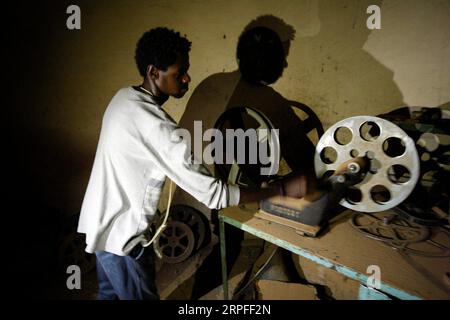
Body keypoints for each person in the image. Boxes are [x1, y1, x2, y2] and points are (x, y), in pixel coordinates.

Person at [77, 27, 315, 300]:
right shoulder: (158, 126)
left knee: (109, 296)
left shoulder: (123, 98)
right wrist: (279, 190)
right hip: (124, 238)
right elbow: (214, 195)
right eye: (179, 74)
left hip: (100, 225)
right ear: (154, 72)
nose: (187, 78)